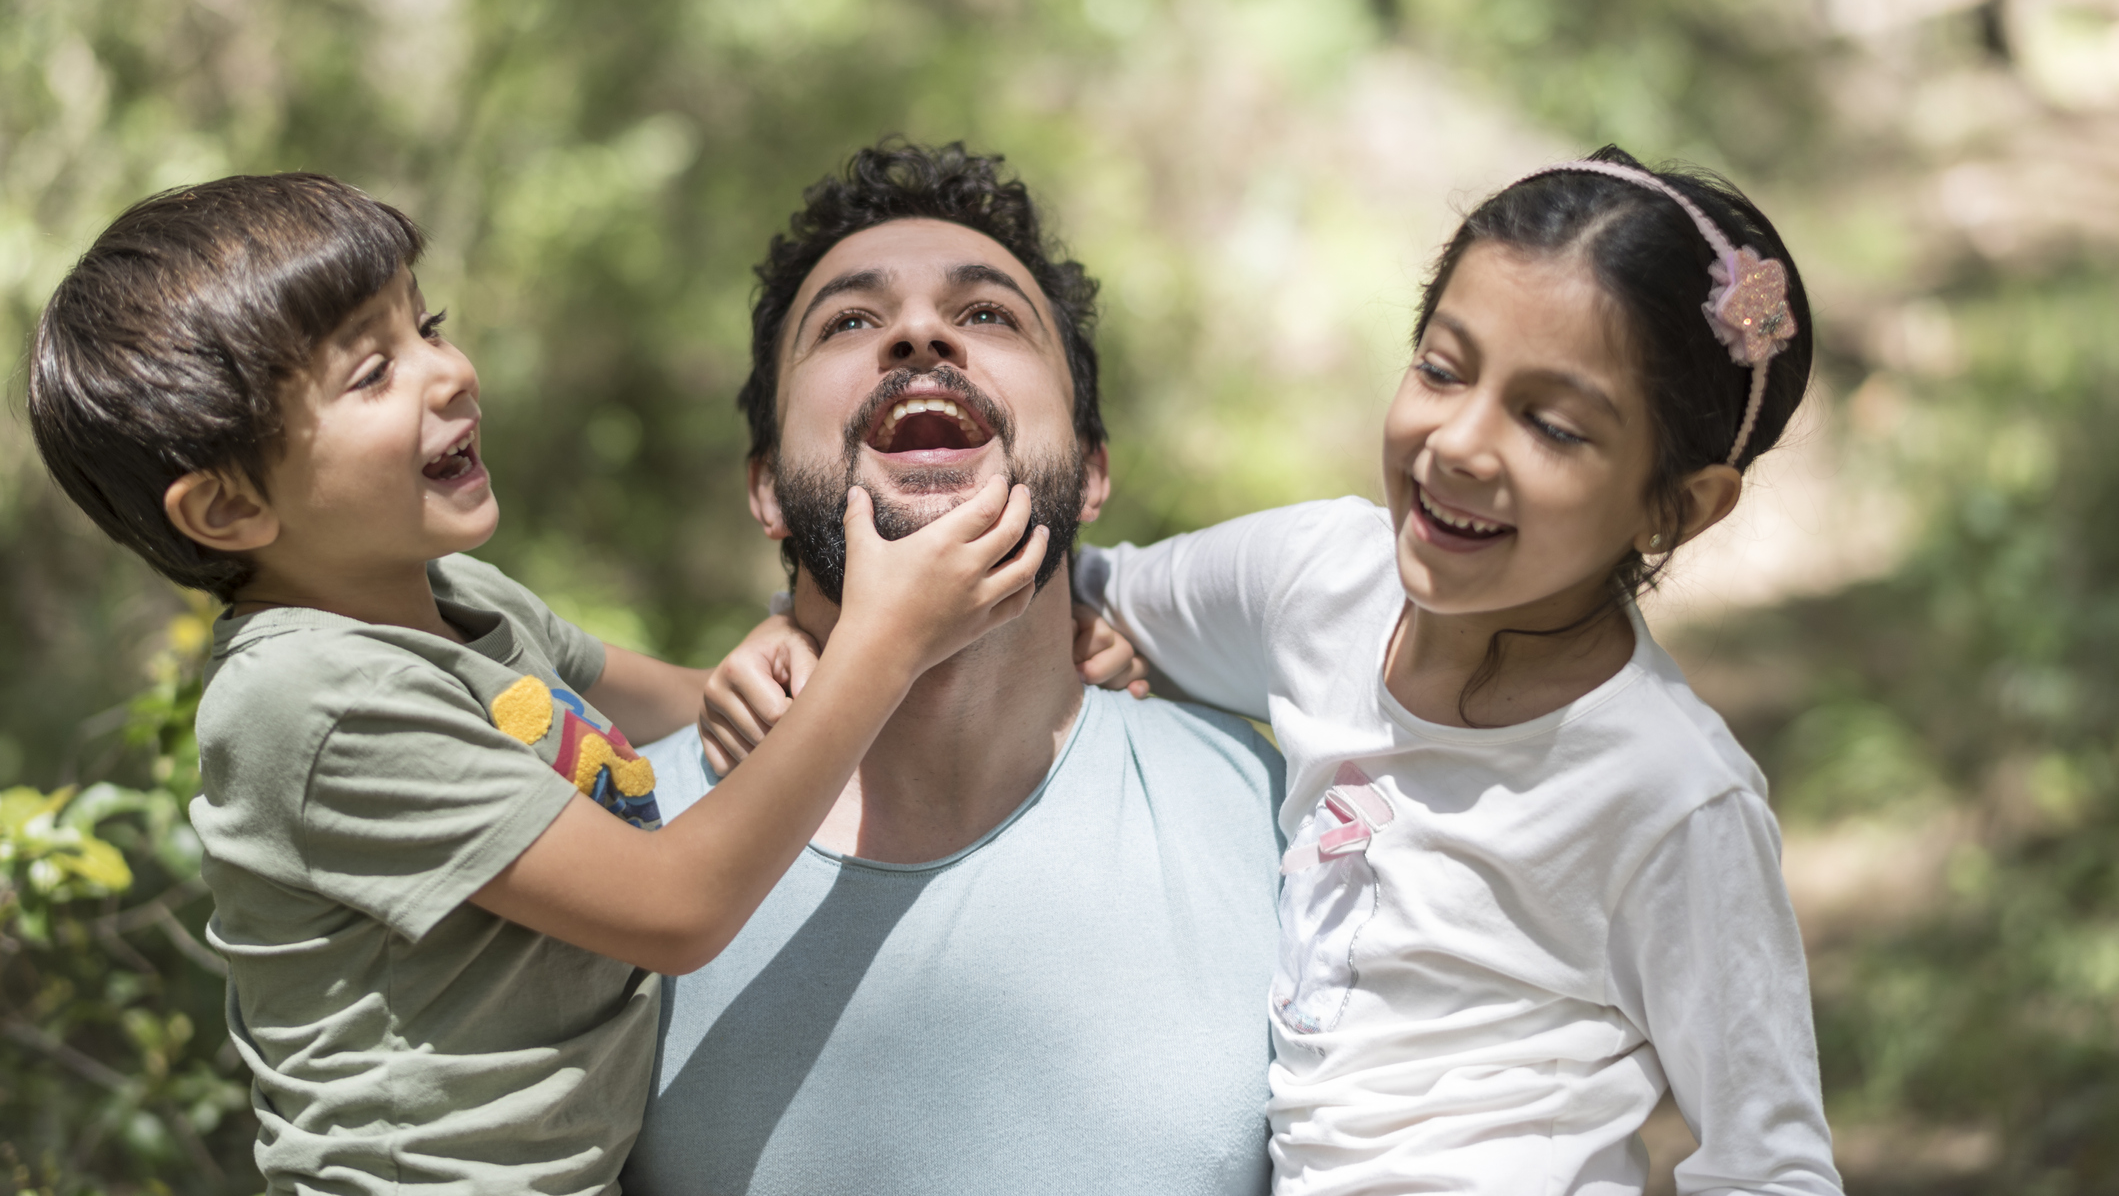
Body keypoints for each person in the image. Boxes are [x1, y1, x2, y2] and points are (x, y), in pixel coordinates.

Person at [25, 173, 1048, 1195]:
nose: (450, 372)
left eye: (426, 325)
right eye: (375, 370)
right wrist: (884, 641)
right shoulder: (309, 698)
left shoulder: (455, 596)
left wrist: (1055, 629)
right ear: (229, 509)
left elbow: (698, 703)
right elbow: (677, 905)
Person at [1068, 150, 1846, 1194]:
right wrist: (812, 621)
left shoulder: (1669, 792)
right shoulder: (1319, 582)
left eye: (1552, 424)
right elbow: (1067, 591)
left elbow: (1772, 1165)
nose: (1462, 443)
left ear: (1679, 506)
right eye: (1440, 368)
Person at [621, 141, 1287, 1196]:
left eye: (989, 315)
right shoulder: (613, 847)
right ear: (764, 491)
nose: (919, 331)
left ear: (1093, 469)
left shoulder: (1277, 820)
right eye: (847, 320)